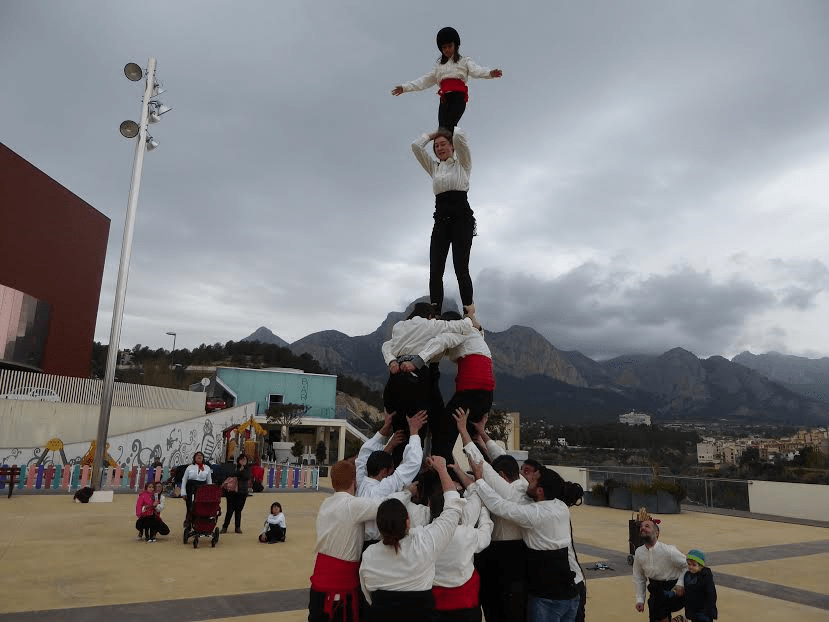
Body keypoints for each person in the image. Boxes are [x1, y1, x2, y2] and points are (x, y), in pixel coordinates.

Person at [469, 457, 579, 622]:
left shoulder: (534, 514)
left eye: (532, 480)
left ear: (540, 491)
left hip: (547, 599)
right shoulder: (560, 506)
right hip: (570, 595)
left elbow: (499, 506)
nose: (526, 481)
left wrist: (479, 480)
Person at [360, 456, 465, 622]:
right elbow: (453, 508)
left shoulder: (369, 555)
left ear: (379, 526)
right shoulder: (425, 542)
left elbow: (368, 596)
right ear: (407, 521)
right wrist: (442, 469)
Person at [308, 460, 411, 622]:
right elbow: (384, 506)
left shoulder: (326, 504)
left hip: (318, 585)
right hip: (338, 590)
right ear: (354, 482)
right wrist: (408, 492)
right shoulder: (351, 505)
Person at [456, 412, 528, 622]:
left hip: (504, 559)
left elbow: (483, 466)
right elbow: (500, 457)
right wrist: (481, 435)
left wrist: (463, 430)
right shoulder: (520, 482)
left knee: (500, 611)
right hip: (517, 558)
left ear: (502, 477)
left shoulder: (510, 493)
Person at [410, 127, 482, 328]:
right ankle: (435, 313)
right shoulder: (434, 168)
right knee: (435, 270)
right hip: (441, 221)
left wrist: (447, 128)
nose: (439, 148)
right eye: (436, 146)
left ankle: (470, 314)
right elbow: (416, 147)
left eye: (443, 144)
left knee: (461, 268)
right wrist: (433, 135)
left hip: (462, 221)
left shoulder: (463, 164)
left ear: (452, 146)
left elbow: (460, 137)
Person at [391, 26, 502, 132]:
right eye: (444, 47)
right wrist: (405, 88)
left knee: (449, 128)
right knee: (442, 129)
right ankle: (447, 149)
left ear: (456, 45)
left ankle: (455, 145)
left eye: (449, 46)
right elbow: (424, 81)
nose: (447, 50)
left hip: (458, 97)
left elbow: (476, 71)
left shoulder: (464, 61)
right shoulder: (439, 66)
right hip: (444, 99)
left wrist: (489, 73)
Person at [419, 312, 493, 461]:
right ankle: (491, 471)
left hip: (470, 392)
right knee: (474, 439)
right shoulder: (475, 334)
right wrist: (473, 317)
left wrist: (418, 359)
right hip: (487, 395)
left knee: (443, 434)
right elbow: (479, 329)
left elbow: (441, 343)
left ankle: (443, 472)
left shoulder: (457, 332)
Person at [431, 467, 493, 622]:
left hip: (434, 602)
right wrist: (485, 512)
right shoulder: (466, 532)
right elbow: (485, 534)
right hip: (465, 601)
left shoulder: (424, 533)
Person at [357, 410, 428, 545]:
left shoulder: (361, 482)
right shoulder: (381, 489)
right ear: (384, 472)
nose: (392, 473)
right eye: (391, 471)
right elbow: (412, 464)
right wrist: (414, 432)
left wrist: (386, 428)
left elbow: (363, 457)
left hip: (363, 544)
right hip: (378, 542)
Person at [633, 520, 687, 622]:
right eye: (641, 527)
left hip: (673, 591)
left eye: (647, 526)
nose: (643, 528)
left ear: (657, 533)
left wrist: (680, 584)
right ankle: (679, 620)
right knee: (655, 603)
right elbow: (639, 577)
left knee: (658, 603)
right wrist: (640, 599)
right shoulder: (639, 552)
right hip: (655, 591)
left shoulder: (669, 550)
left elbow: (687, 565)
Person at [670, 550, 717, 622]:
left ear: (701, 566)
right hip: (692, 611)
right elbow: (687, 593)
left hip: (704, 612)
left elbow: (711, 595)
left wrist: (709, 611)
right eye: (689, 564)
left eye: (694, 565)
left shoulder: (706, 577)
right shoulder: (687, 575)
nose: (691, 567)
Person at [222, 453, 251, 534]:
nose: (243, 461)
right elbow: (231, 474)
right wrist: (240, 470)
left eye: (245, 460)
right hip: (232, 492)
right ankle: (225, 527)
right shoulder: (234, 467)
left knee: (238, 510)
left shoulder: (248, 469)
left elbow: (246, 476)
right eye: (241, 459)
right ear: (238, 460)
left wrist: (242, 470)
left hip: (242, 492)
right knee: (229, 510)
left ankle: (237, 527)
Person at [180, 451, 212, 524]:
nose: (199, 456)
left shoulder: (207, 468)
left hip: (202, 488)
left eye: (201, 455)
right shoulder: (189, 467)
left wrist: (209, 493)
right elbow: (184, 479)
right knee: (190, 505)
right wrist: (183, 492)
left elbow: (209, 481)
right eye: (197, 455)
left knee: (200, 506)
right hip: (190, 487)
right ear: (194, 458)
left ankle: (198, 521)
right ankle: (188, 521)